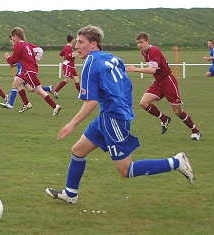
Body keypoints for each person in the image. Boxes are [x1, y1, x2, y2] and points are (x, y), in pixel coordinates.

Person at [45, 25, 195, 205]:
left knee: (126, 170)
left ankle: (176, 162)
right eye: (76, 42)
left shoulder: (90, 64)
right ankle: (70, 194)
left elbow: (91, 102)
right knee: (78, 151)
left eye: (80, 42)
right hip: (110, 114)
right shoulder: (112, 58)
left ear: (93, 44)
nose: (76, 46)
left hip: (114, 118)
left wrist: (72, 124)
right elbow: (126, 84)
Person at [125, 32, 201, 140]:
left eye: (141, 42)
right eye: (137, 43)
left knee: (177, 111)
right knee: (143, 103)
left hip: (168, 82)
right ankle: (164, 119)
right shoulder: (144, 52)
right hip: (158, 82)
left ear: (147, 41)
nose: (139, 45)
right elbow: (155, 69)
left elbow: (153, 69)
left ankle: (195, 131)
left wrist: (135, 69)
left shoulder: (154, 50)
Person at [4, 27, 61, 116]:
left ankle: (55, 106)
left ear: (18, 36)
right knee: (16, 84)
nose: (13, 38)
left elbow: (13, 60)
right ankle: (26, 104)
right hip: (29, 70)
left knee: (39, 90)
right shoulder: (27, 44)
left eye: (14, 36)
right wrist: (34, 60)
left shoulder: (18, 45)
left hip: (28, 71)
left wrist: (7, 57)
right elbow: (33, 53)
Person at [50, 34, 81, 99]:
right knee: (66, 80)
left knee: (77, 80)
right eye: (74, 39)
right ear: (72, 40)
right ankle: (55, 91)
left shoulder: (67, 47)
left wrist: (73, 54)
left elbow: (61, 54)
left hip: (71, 66)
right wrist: (75, 55)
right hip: (68, 66)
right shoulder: (68, 48)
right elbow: (67, 57)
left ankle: (81, 94)